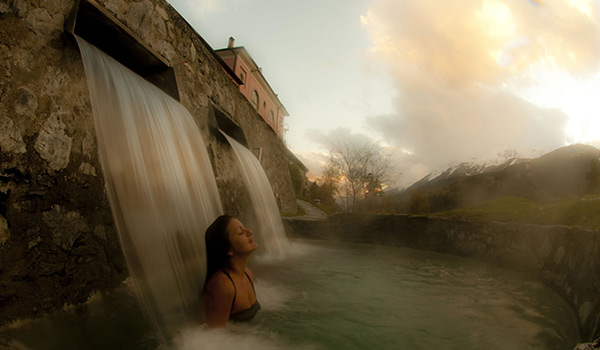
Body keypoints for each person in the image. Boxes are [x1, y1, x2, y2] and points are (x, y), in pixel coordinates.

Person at [202, 214, 261, 327]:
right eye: (240, 232)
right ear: (228, 250)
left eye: (245, 228)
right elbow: (214, 335)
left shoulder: (248, 274)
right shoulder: (222, 285)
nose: (250, 232)